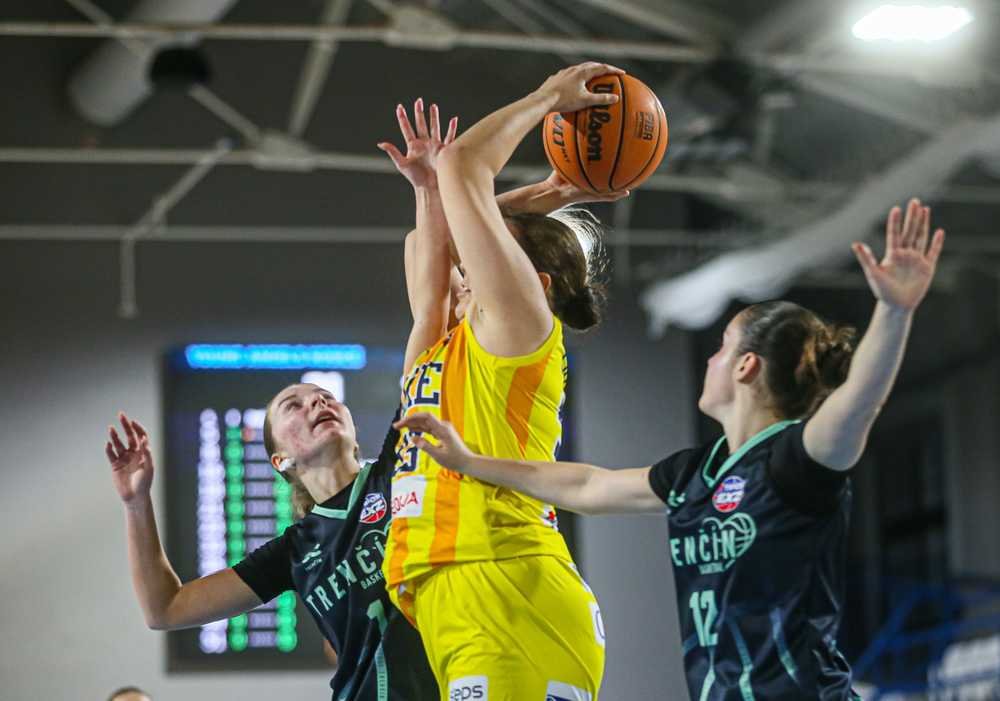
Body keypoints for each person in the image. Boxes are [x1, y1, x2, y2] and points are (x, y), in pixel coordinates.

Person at [397, 199, 945, 698]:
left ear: (746, 366)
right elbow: (586, 486)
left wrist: (894, 313)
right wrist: (469, 462)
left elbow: (860, 404)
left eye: (722, 347)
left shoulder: (795, 464)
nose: (709, 358)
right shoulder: (696, 473)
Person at [380, 62, 629, 700]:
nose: (466, 261)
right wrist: (545, 192)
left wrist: (549, 97)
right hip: (458, 595)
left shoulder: (519, 329)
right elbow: (423, 247)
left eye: (482, 256)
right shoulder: (439, 346)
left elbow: (464, 165)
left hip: (510, 589)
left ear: (532, 284)